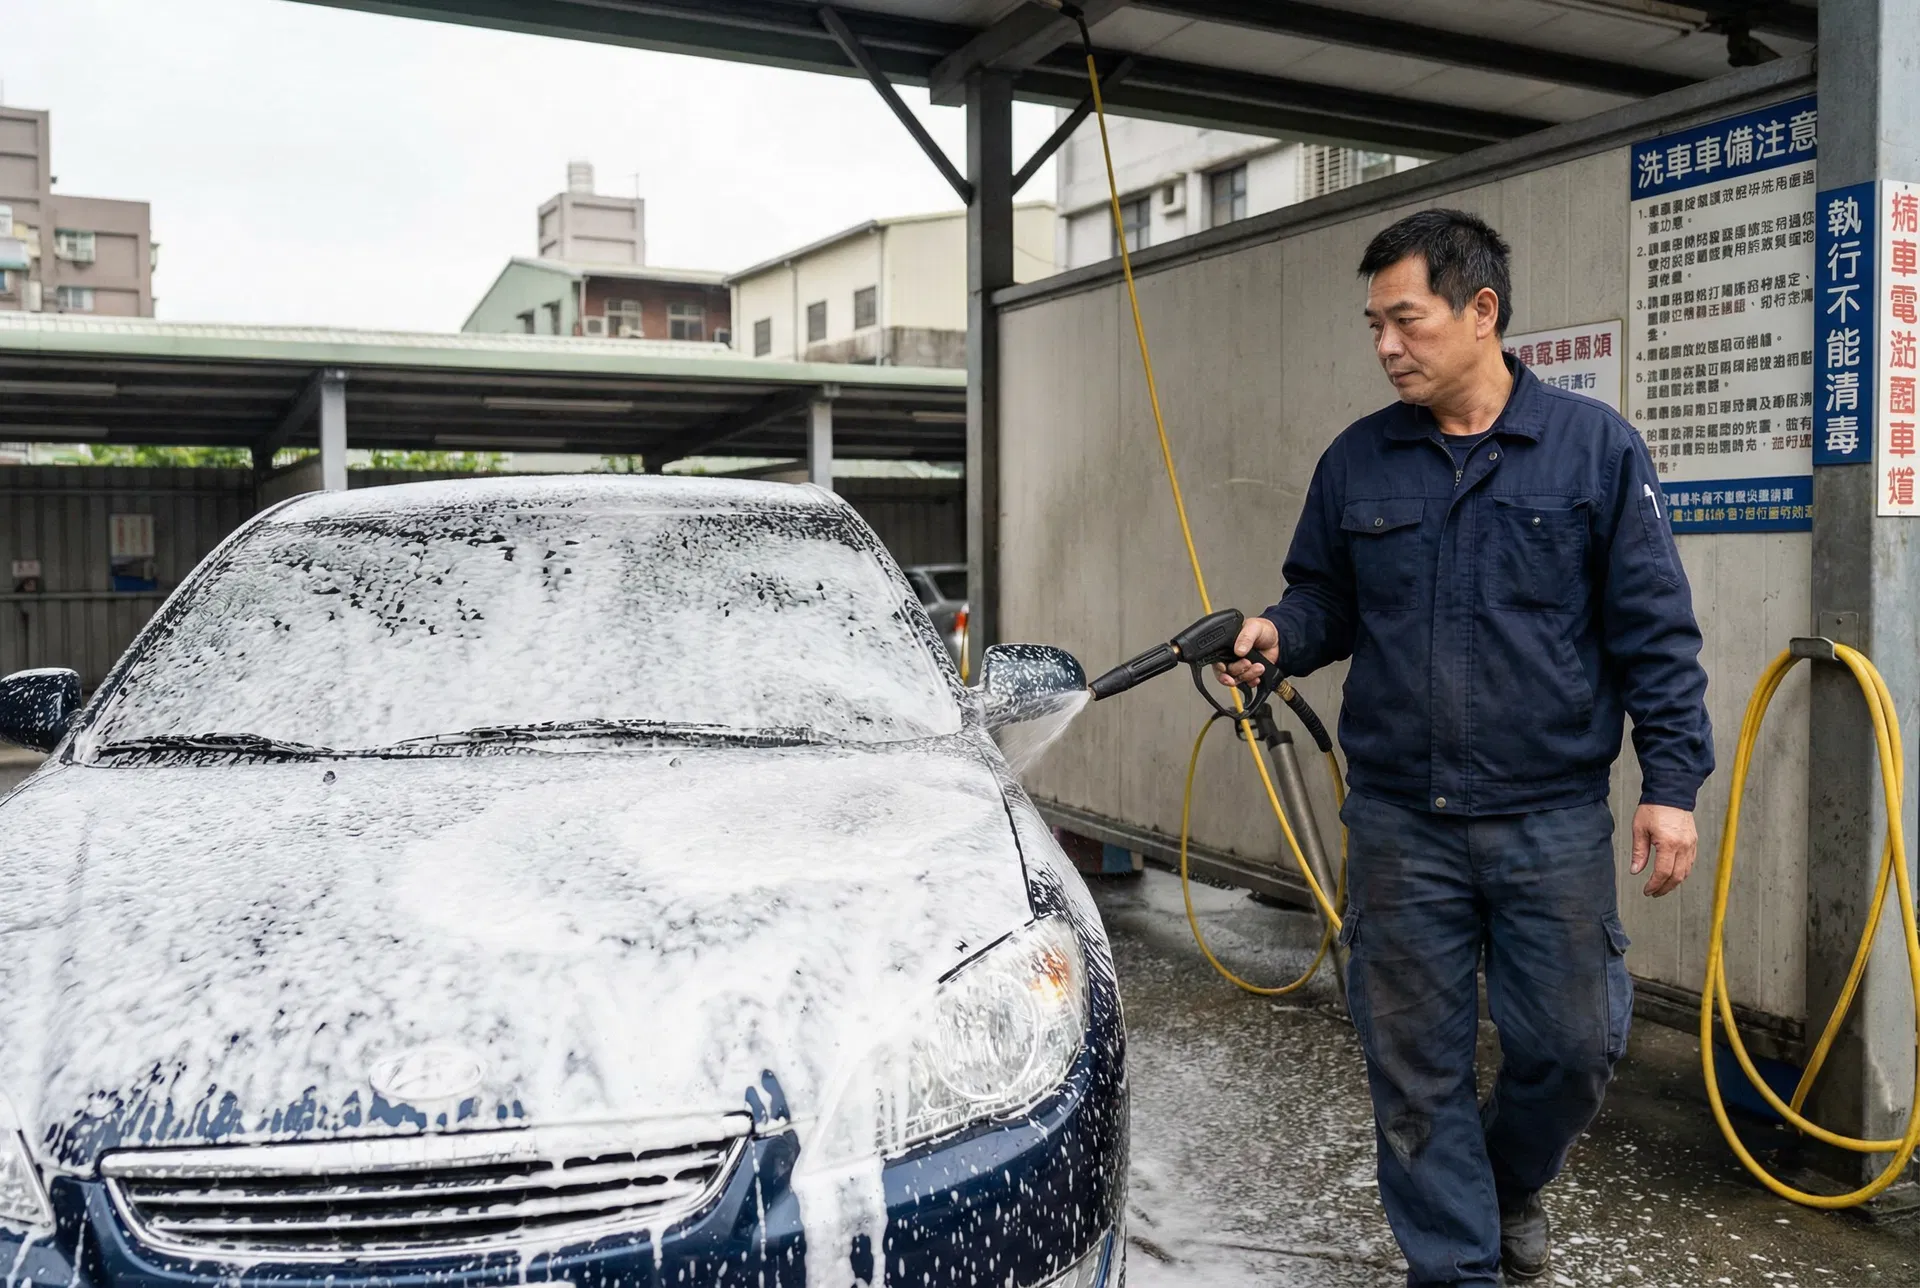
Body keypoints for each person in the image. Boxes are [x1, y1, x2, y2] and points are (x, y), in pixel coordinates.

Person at [1221, 209, 1712, 1285]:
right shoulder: (1358, 462)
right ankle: (1459, 1267)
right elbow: (1323, 600)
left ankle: (1504, 1183)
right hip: (1401, 824)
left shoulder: (1594, 450)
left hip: (1551, 819)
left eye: (1406, 319)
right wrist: (1276, 635)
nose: (1387, 344)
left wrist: (1670, 783)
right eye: (1375, 326)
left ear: (1481, 311)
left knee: (1573, 1047)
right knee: (1413, 1071)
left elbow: (1655, 633)